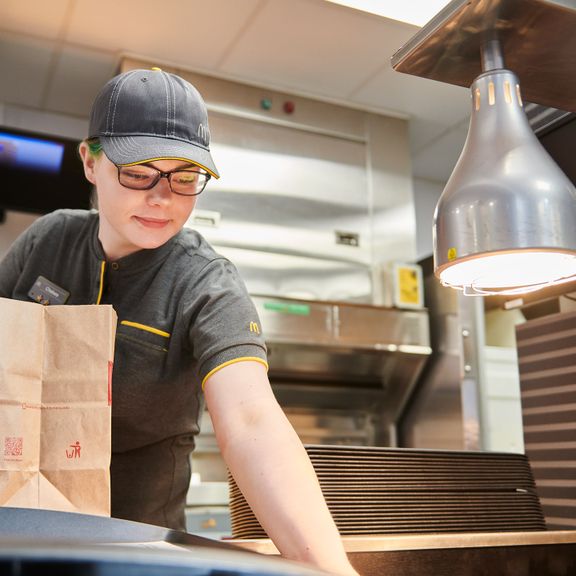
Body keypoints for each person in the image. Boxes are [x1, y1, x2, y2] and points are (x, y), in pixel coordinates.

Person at [0, 68, 359, 576]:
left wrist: (330, 570)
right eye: (139, 171)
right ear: (90, 161)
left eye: (185, 177)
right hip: (18, 529)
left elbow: (252, 419)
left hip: (136, 549)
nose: (162, 197)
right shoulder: (47, 241)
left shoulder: (206, 284)